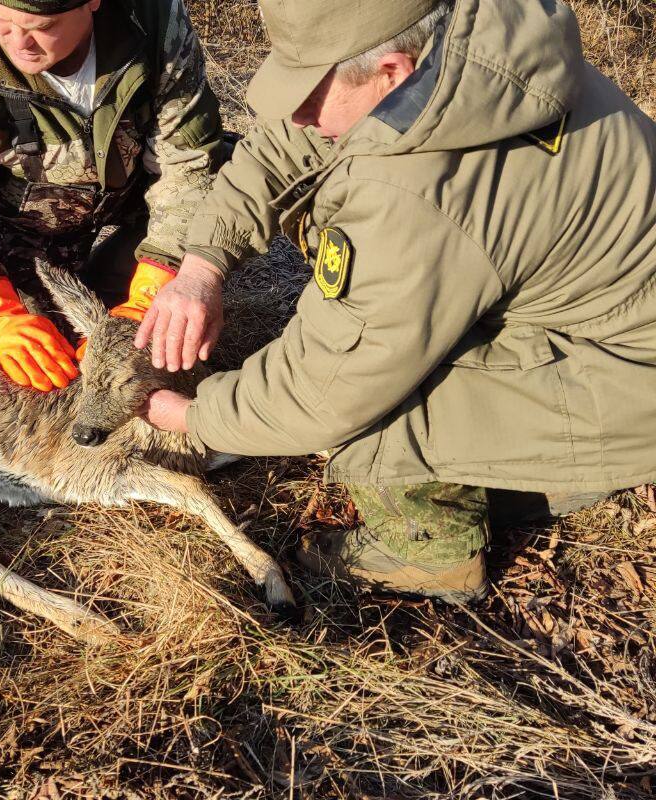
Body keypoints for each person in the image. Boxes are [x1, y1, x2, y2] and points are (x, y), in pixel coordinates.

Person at [141, 0, 656, 603]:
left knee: (372, 416)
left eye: (311, 95)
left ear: (392, 71)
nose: (301, 117)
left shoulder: (416, 192)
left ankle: (431, 554)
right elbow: (280, 145)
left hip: (628, 374)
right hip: (618, 319)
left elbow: (325, 389)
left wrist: (193, 415)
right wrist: (203, 263)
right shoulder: (470, 56)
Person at [0, 0, 227, 392]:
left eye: (42, 25)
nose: (19, 42)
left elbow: (187, 165)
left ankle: (121, 274)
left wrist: (156, 285)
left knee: (230, 189)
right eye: (0, 18)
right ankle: (82, 286)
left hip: (139, 199)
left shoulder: (153, 18)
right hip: (30, 225)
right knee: (45, 372)